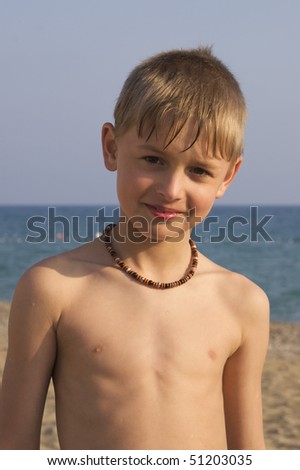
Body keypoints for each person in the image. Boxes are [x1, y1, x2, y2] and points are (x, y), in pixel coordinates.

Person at [0, 47, 269, 450]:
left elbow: (249, 452)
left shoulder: (243, 303)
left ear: (228, 176)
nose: (171, 190)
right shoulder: (53, 289)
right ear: (111, 147)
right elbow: (13, 446)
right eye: (153, 159)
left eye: (198, 170)